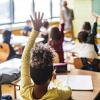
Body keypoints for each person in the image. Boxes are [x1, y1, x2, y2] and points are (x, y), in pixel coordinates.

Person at [20, 12, 72, 100]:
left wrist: (35, 30)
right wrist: (56, 81)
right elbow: (68, 90)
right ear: (52, 75)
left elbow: (25, 59)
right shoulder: (57, 95)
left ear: (30, 75)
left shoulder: (24, 91)